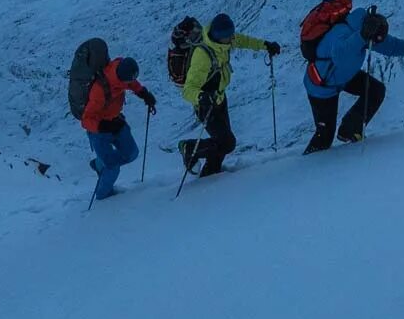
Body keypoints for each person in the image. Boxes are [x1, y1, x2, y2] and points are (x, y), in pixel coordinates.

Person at [302, 5, 404, 153]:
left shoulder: (367, 30)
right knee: (325, 137)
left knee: (375, 90)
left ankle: (350, 130)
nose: (377, 43)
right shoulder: (340, 33)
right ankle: (307, 167)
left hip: (342, 76)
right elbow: (340, 55)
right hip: (322, 87)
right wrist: (361, 37)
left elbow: (391, 45)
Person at [177, 12, 281, 177]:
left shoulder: (223, 42)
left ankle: (211, 173)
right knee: (227, 143)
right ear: (219, 36)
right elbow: (188, 89)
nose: (232, 38)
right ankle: (189, 147)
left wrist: (265, 45)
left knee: (222, 142)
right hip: (206, 105)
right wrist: (201, 97)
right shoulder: (202, 56)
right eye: (229, 36)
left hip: (219, 99)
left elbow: (243, 40)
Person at [81, 55, 158, 199]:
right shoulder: (99, 91)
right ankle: (103, 196)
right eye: (129, 80)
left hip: (116, 121)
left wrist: (143, 93)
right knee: (112, 167)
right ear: (122, 78)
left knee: (132, 153)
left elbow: (131, 83)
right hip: (98, 132)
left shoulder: (121, 74)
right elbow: (86, 120)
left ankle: (99, 164)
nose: (131, 82)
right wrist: (103, 126)